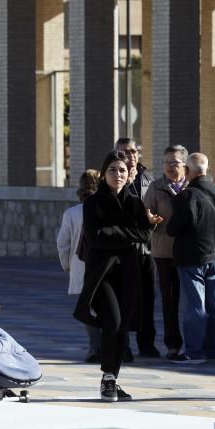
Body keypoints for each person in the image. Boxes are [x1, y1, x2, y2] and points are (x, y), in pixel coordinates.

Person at [74, 151, 162, 402]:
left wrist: (136, 228)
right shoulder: (93, 202)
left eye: (122, 170)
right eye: (113, 170)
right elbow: (96, 237)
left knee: (123, 325)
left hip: (128, 270)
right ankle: (108, 379)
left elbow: (144, 236)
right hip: (103, 273)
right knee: (111, 321)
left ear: (129, 173)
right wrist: (129, 233)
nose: (118, 174)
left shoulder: (134, 201)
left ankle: (112, 377)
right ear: (104, 174)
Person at [167, 152, 215, 365]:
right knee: (214, 304)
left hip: (191, 257)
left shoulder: (186, 195)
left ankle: (193, 352)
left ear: (188, 171)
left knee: (195, 305)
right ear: (206, 170)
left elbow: (174, 228)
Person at [142, 145, 188, 361]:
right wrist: (150, 221)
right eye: (167, 162)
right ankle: (173, 344)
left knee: (192, 301)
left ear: (185, 165)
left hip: (190, 253)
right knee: (169, 301)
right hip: (164, 252)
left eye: (175, 162)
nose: (170, 167)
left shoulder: (192, 186)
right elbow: (144, 217)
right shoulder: (156, 187)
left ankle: (194, 343)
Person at [115, 137, 159, 359]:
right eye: (124, 152)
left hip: (147, 250)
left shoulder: (148, 180)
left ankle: (147, 343)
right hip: (123, 251)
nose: (130, 156)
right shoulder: (115, 179)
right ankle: (123, 346)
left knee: (147, 299)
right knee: (124, 300)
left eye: (133, 151)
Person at [56, 168, 102, 363]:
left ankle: (95, 347)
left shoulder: (72, 213)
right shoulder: (106, 208)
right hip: (103, 264)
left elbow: (63, 242)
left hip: (80, 265)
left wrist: (66, 264)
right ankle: (111, 346)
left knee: (90, 307)